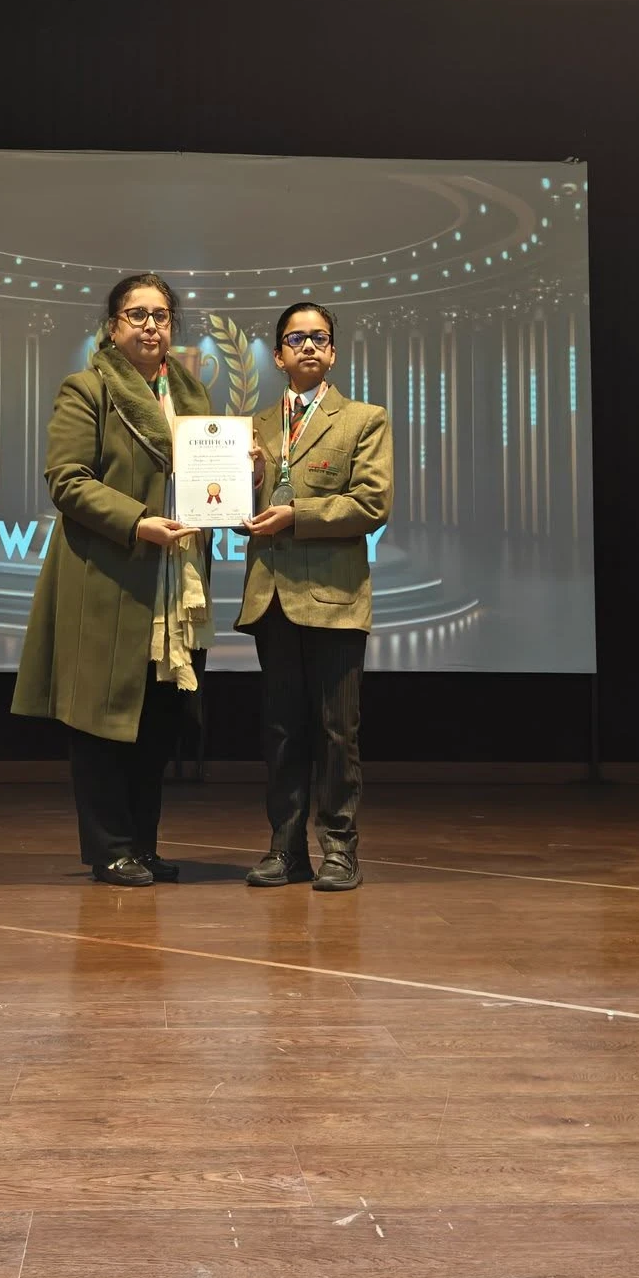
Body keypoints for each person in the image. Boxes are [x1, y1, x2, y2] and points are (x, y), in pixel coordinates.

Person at [12, 274, 214, 887]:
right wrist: (136, 522)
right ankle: (110, 847)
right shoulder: (89, 388)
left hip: (172, 579)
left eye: (161, 315)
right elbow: (67, 480)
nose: (151, 326)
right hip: (107, 572)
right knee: (102, 718)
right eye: (137, 314)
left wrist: (244, 472)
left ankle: (143, 845)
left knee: (158, 719)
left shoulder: (193, 398)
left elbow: (209, 479)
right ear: (112, 326)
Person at [237, 302, 392, 892]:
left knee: (336, 731)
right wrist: (248, 485)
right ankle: (286, 849)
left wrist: (296, 515)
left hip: (335, 599)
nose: (308, 346)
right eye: (296, 338)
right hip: (271, 597)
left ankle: (340, 849)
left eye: (319, 338)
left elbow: (371, 504)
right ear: (278, 355)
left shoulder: (363, 419)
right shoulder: (253, 427)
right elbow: (237, 511)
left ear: (333, 352)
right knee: (281, 732)